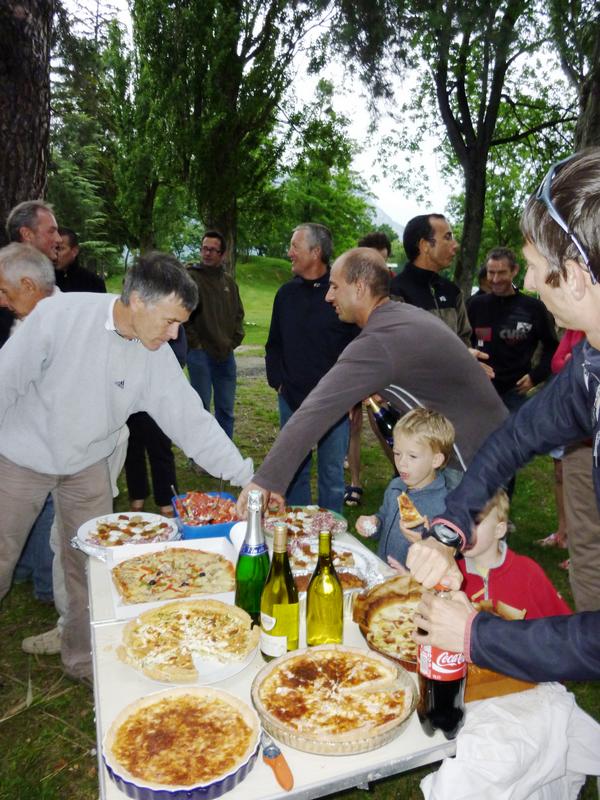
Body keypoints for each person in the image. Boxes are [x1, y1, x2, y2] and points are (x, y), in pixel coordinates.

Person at [0, 251, 253, 683]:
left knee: (90, 567)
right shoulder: (59, 316)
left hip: (87, 465)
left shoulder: (154, 356)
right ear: (137, 299)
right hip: (22, 458)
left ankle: (82, 658)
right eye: (170, 321)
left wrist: (248, 476)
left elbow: (192, 422)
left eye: (181, 326)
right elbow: (5, 380)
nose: (175, 336)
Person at [409, 149, 600, 683]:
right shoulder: (592, 364)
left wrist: (476, 636)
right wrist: (452, 524)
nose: (532, 285)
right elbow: (514, 439)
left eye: (536, 269)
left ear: (577, 276)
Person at [238, 246, 507, 515]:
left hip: (469, 459)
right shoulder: (401, 315)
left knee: (447, 550)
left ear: (359, 287)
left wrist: (264, 481)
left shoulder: (378, 340)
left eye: (334, 286)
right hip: (493, 446)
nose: (328, 296)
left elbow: (316, 410)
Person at [265, 223, 359, 512]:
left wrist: (351, 396)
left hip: (334, 403)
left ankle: (332, 536)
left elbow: (357, 347)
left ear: (316, 252)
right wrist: (278, 382)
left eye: (295, 246)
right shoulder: (285, 294)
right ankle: (296, 534)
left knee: (332, 476)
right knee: (295, 472)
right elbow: (274, 343)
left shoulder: (340, 295)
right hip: (291, 399)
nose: (289, 252)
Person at [0, 243, 58, 608]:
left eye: (4, 291)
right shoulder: (22, 317)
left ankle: (47, 587)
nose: (2, 301)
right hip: (16, 448)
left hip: (50, 451)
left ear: (27, 285)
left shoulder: (62, 321)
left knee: (52, 524)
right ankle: (27, 574)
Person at [356, 408, 460, 568]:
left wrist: (425, 538)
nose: (401, 463)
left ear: (436, 460)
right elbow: (383, 518)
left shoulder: (444, 506)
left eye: (412, 456)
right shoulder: (395, 487)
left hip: (412, 585)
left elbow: (445, 556)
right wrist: (374, 524)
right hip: (382, 571)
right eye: (397, 453)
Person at [467, 246, 558, 412]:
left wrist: (535, 377)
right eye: (490, 272)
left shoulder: (534, 308)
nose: (494, 279)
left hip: (516, 393)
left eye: (501, 272)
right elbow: (460, 342)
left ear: (514, 270)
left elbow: (552, 347)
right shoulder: (475, 305)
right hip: (479, 390)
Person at [457, 489, 571, 618]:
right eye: (461, 520)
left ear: (499, 530)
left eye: (476, 522)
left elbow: (562, 622)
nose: (464, 529)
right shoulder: (453, 574)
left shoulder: (527, 573)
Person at [345, 230, 394, 507]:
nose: (381, 265)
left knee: (383, 425)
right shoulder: (350, 286)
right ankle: (354, 481)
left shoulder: (391, 287)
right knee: (353, 424)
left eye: (384, 259)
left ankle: (400, 473)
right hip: (356, 364)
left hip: (382, 367)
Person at [184, 230, 244, 439]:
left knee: (225, 410)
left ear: (223, 255)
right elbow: (183, 314)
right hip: (200, 355)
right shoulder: (191, 278)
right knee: (200, 409)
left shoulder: (228, 283)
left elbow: (238, 314)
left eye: (212, 250)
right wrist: (196, 344)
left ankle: (224, 454)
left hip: (225, 355)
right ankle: (199, 457)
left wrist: (233, 341)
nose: (207, 253)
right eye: (204, 248)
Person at [390, 214, 471, 346]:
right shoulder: (395, 293)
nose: (455, 245)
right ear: (425, 245)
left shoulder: (453, 292)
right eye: (448, 237)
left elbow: (465, 341)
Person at [54, 227, 107, 293]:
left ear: (75, 251)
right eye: (53, 248)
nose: (55, 253)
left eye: (60, 249)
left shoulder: (93, 282)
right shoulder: (45, 281)